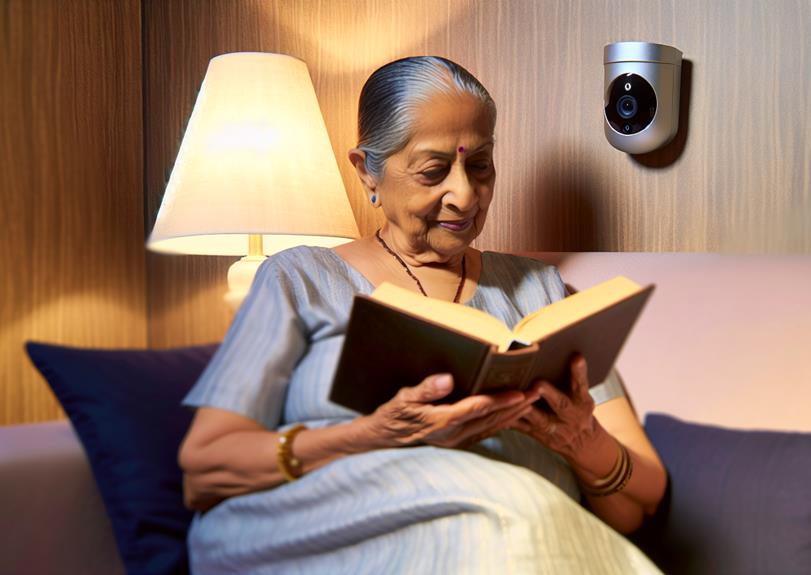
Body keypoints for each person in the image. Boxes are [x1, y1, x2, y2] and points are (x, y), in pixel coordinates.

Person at [178, 56, 667, 574]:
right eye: (434, 171)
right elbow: (204, 470)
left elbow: (644, 497)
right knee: (513, 514)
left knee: (519, 518)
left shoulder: (542, 293)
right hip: (330, 535)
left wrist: (581, 441)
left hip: (524, 539)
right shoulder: (299, 279)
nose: (464, 195)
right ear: (367, 169)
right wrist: (375, 435)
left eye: (480, 165)